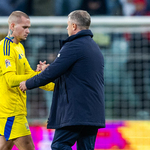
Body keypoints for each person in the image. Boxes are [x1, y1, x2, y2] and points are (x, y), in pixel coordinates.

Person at [19, 10, 105, 150]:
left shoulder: (74, 45)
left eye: (68, 25)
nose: (67, 28)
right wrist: (49, 69)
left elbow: (52, 73)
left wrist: (28, 83)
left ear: (74, 26)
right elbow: (74, 75)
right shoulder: (94, 47)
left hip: (77, 111)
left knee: (60, 145)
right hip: (93, 112)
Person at [0, 11, 54, 150]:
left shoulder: (19, 47)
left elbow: (31, 75)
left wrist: (56, 86)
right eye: (24, 27)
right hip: (11, 111)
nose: (28, 31)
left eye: (29, 27)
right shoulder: (5, 49)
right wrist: (38, 76)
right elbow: (11, 80)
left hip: (13, 109)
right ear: (12, 26)